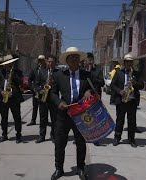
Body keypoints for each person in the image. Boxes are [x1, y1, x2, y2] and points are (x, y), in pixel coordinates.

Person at [50, 47, 92, 180]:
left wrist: (89, 91)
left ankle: (80, 168)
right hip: (63, 114)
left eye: (76, 57)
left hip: (80, 114)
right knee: (60, 142)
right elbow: (52, 93)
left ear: (79, 60)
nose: (74, 59)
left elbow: (94, 88)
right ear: (67, 61)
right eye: (71, 57)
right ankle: (59, 168)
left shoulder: (86, 75)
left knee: (80, 143)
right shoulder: (59, 75)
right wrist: (59, 102)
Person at [111, 53, 144, 147]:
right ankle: (117, 138)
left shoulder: (136, 74)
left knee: (132, 121)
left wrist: (135, 82)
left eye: (130, 62)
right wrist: (119, 91)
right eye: (127, 62)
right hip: (121, 100)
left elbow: (142, 86)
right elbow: (113, 85)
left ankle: (131, 139)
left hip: (132, 101)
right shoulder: (118, 73)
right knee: (120, 120)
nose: (129, 64)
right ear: (124, 63)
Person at [0, 55, 23, 143]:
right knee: (4, 118)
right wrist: (1, 91)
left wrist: (13, 75)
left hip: (14, 98)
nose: (9, 65)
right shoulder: (0, 72)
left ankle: (18, 135)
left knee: (17, 117)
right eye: (7, 64)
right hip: (3, 98)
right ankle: (4, 135)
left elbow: (21, 82)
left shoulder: (18, 72)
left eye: (10, 63)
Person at [34, 55, 59, 143]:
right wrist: (40, 90)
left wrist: (54, 83)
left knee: (54, 119)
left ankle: (53, 136)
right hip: (43, 99)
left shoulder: (58, 72)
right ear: (47, 62)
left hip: (53, 99)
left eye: (52, 62)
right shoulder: (41, 72)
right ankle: (42, 136)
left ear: (55, 63)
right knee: (43, 118)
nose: (50, 64)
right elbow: (36, 84)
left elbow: (61, 86)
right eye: (49, 62)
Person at [83, 52, 104, 146]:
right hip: (84, 97)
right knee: (85, 118)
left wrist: (92, 75)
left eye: (91, 60)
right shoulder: (81, 70)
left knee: (95, 118)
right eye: (88, 60)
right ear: (85, 60)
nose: (89, 61)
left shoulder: (98, 70)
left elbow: (102, 83)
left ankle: (96, 138)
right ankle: (84, 136)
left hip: (95, 96)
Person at [26, 55, 46, 126]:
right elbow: (29, 80)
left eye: (42, 60)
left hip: (43, 91)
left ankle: (44, 121)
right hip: (35, 91)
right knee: (35, 106)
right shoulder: (34, 70)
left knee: (43, 108)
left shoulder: (46, 70)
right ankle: (33, 120)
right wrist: (32, 88)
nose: (40, 62)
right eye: (39, 60)